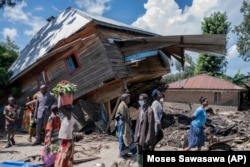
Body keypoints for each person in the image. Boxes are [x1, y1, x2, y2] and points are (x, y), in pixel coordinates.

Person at [134, 93, 155, 167]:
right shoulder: (140, 109)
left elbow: (150, 126)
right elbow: (138, 123)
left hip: (145, 136)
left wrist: (148, 138)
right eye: (139, 100)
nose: (140, 101)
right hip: (139, 134)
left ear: (145, 100)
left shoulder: (150, 111)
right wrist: (136, 134)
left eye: (141, 100)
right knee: (139, 152)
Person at [115, 93, 137, 158]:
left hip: (124, 124)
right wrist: (129, 122)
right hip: (122, 125)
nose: (129, 99)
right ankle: (121, 154)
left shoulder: (124, 105)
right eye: (128, 98)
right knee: (122, 138)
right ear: (125, 99)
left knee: (127, 138)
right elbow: (123, 116)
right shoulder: (122, 105)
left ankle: (125, 153)